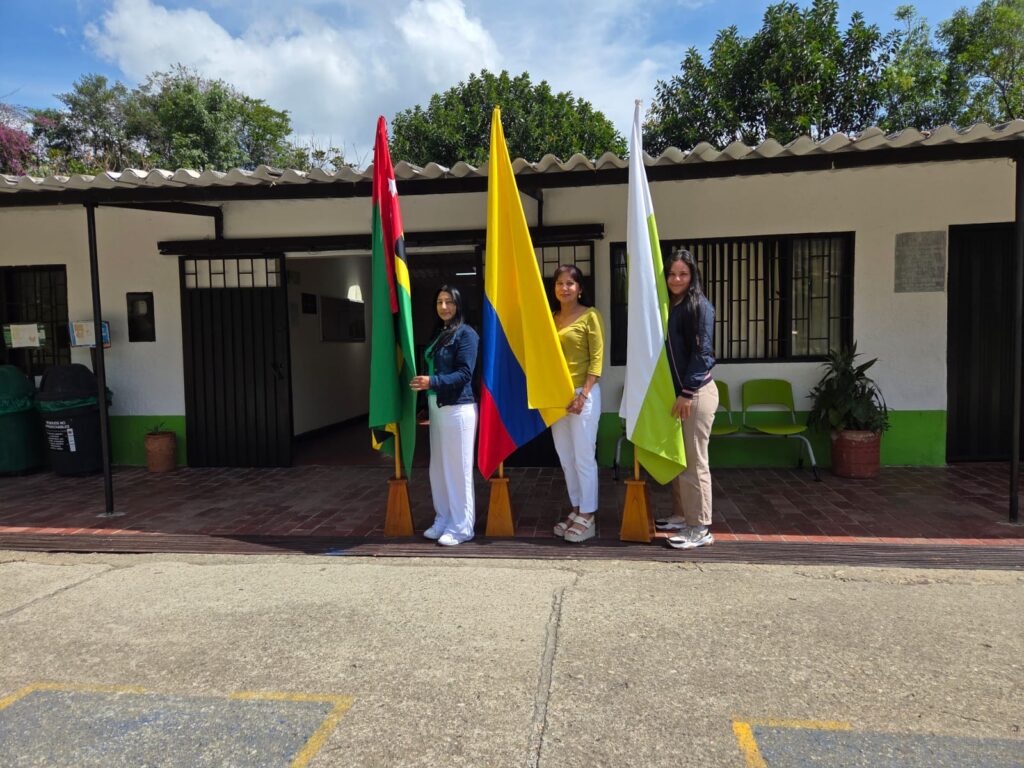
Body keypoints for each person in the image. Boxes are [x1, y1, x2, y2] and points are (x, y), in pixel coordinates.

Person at [657, 249, 718, 549]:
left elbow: (703, 354)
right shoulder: (672, 306)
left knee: (695, 462)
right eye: (671, 273)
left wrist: (686, 392)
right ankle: (683, 515)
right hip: (681, 395)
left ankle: (700, 527)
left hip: (695, 394)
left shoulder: (699, 306)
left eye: (683, 274)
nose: (676, 279)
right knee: (681, 461)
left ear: (692, 275)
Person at [410, 285, 479, 546]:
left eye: (449, 302)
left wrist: (432, 381)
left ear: (459, 304)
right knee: (437, 468)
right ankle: (444, 518)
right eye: (440, 302)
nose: (444, 307)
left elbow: (465, 374)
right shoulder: (440, 333)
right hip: (437, 408)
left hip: (458, 409)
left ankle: (462, 527)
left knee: (458, 469)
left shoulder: (467, 334)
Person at [550, 265, 605, 543]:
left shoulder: (590, 315)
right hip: (557, 397)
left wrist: (583, 395)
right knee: (565, 457)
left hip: (583, 393)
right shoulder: (550, 318)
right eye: (560, 283)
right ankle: (576, 509)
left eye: (570, 283)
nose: (565, 288)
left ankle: (589, 515)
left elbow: (596, 360)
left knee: (584, 456)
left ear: (580, 288)